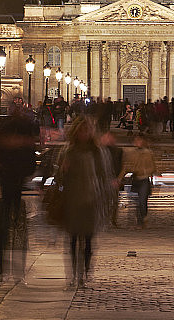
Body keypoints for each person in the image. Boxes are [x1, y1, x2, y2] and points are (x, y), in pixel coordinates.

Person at [57, 116, 114, 287]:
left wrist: (105, 198)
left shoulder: (97, 152)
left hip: (91, 199)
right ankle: (74, 273)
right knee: (73, 240)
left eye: (87, 130)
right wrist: (62, 170)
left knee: (88, 240)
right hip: (72, 199)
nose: (84, 133)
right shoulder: (68, 151)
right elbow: (58, 179)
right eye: (81, 130)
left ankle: (86, 272)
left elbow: (104, 175)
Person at [0, 111, 37, 280]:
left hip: (10, 185)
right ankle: (6, 265)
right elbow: (31, 166)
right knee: (10, 226)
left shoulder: (6, 144)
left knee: (8, 226)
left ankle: (5, 266)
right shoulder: (20, 146)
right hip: (12, 186)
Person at [121, 133, 158, 228]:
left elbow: (152, 167)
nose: (138, 142)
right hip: (135, 178)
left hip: (144, 179)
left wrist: (146, 171)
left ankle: (143, 219)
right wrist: (120, 177)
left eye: (140, 140)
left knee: (142, 201)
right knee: (136, 201)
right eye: (136, 140)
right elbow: (126, 167)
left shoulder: (148, 153)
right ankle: (140, 219)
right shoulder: (131, 152)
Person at [101, 130, 124, 226]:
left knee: (114, 201)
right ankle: (104, 219)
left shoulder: (118, 151)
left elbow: (121, 166)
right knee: (104, 200)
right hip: (103, 179)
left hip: (114, 178)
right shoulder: (101, 150)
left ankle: (113, 219)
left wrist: (118, 179)